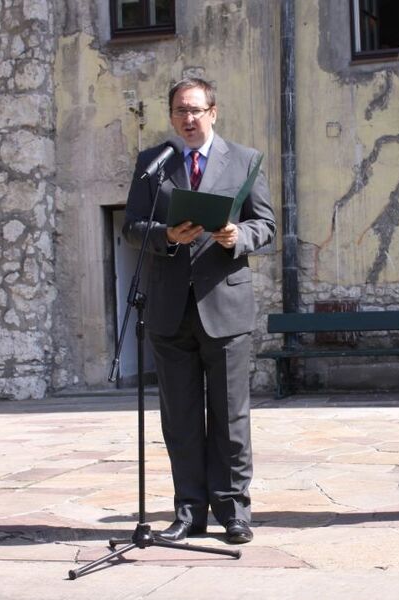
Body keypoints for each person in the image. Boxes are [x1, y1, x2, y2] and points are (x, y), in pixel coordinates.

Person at [122, 77, 276, 544]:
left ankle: (233, 511)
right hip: (169, 308)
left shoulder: (245, 160)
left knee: (230, 417)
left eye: (195, 110)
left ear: (213, 112)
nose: (187, 119)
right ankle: (189, 511)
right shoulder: (153, 163)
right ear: (171, 116)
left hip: (225, 305)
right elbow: (132, 227)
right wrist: (167, 236)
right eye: (179, 111)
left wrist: (238, 236)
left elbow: (266, 224)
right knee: (181, 418)